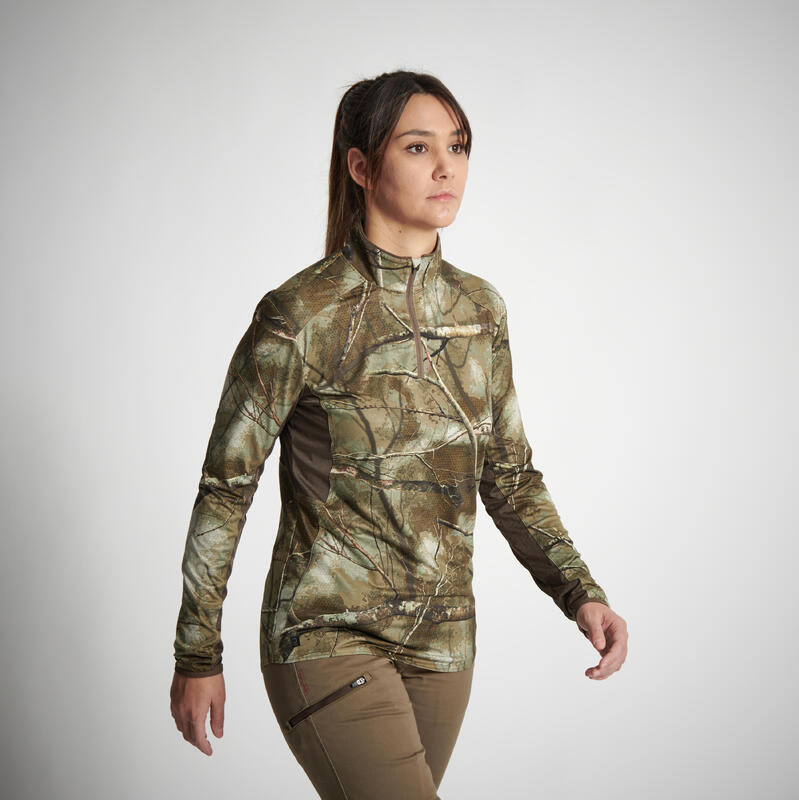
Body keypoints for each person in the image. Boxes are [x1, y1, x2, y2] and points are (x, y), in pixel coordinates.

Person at [170, 70, 628, 799]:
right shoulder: (300, 314)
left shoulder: (480, 310)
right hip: (324, 632)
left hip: (445, 643)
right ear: (361, 167)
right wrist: (198, 653)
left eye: (458, 145)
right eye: (418, 147)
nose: (447, 166)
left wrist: (581, 592)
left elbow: (509, 475)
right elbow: (227, 488)